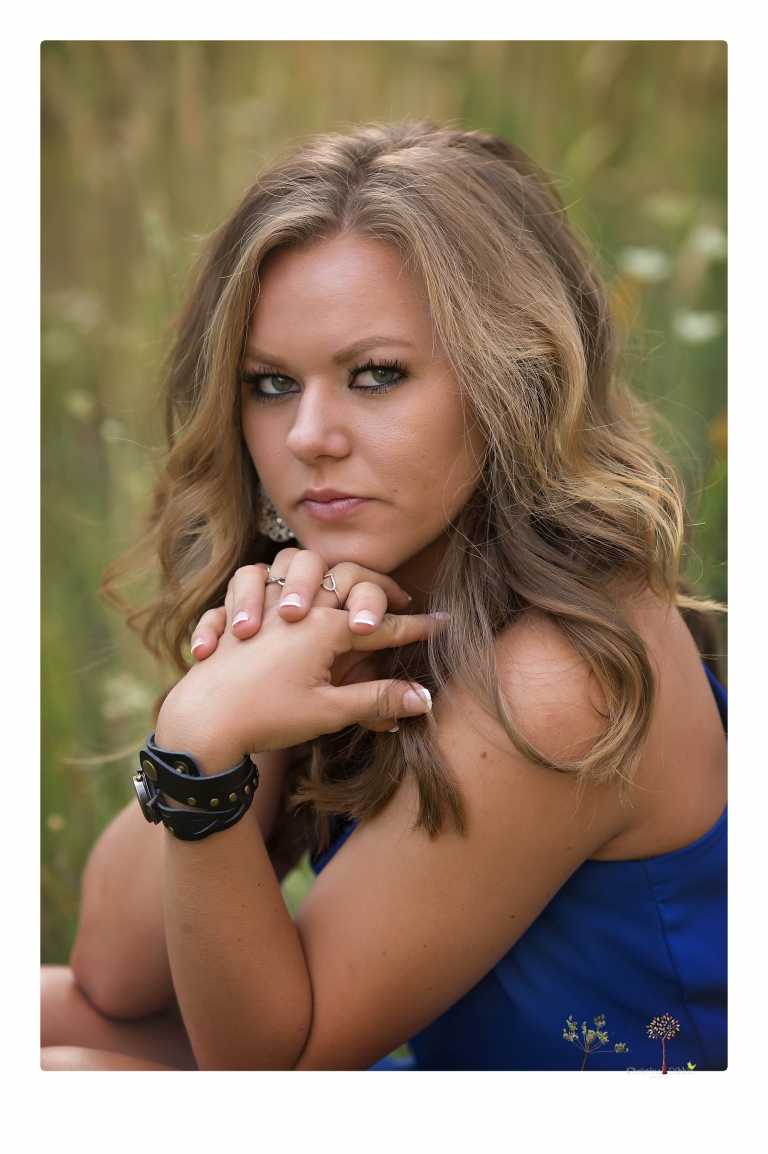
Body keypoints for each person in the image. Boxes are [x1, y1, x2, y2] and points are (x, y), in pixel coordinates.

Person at [41, 123, 727, 1072]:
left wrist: (203, 750)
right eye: (271, 383)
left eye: (375, 376)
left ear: (514, 380)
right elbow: (114, 976)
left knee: (63, 1078)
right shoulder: (367, 598)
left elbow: (270, 1076)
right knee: (43, 1015)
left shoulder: (559, 676)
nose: (308, 436)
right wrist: (249, 699)